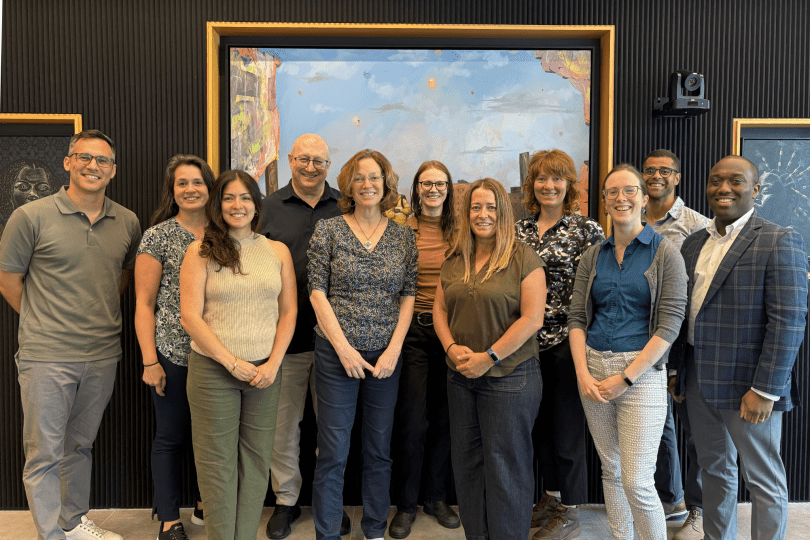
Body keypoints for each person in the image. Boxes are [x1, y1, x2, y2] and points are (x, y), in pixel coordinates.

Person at [0, 130, 141, 540]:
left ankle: (73, 521)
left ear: (113, 170)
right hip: (46, 355)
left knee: (79, 446)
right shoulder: (30, 216)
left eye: (102, 160)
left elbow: (121, 279)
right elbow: (9, 281)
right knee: (43, 452)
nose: (92, 166)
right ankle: (50, 533)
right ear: (67, 162)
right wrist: (45, 321)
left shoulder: (127, 221)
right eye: (84, 157)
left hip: (102, 354)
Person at [670, 156, 808, 540]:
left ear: (756, 189)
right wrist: (678, 372)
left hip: (751, 386)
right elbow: (686, 313)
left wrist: (766, 389)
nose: (724, 188)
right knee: (715, 470)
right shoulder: (694, 243)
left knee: (763, 478)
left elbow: (789, 323)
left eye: (735, 181)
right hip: (698, 379)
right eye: (716, 181)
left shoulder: (779, 240)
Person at [568, 164, 687, 540]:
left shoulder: (665, 253)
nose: (621, 198)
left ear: (643, 196)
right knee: (612, 471)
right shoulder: (593, 256)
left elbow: (669, 326)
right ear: (603, 201)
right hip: (593, 370)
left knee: (637, 480)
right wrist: (584, 374)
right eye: (613, 192)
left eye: (629, 190)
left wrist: (626, 377)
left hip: (640, 375)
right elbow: (576, 319)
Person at [179, 170, 296, 540]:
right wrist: (232, 363)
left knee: (256, 463)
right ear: (218, 204)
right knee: (217, 467)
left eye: (245, 197)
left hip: (265, 374)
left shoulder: (277, 251)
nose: (237, 205)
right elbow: (190, 317)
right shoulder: (200, 250)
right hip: (213, 373)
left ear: (256, 204)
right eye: (229, 198)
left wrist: (273, 363)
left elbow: (289, 311)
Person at [307, 149, 417, 540]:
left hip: (385, 359)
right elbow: (317, 293)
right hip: (337, 356)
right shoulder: (329, 230)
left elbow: (408, 294)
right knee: (333, 452)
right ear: (348, 185)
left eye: (374, 177)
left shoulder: (404, 236)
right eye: (359, 178)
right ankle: (327, 534)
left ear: (386, 183)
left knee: (378, 449)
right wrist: (344, 349)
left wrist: (393, 350)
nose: (367, 184)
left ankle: (373, 529)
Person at [433, 177, 547, 540]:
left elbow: (533, 318)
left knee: (506, 469)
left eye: (491, 207)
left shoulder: (522, 256)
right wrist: (451, 348)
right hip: (460, 378)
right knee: (467, 467)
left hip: (511, 378)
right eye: (476, 207)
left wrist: (490, 356)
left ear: (504, 212)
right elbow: (438, 309)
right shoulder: (454, 258)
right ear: (467, 214)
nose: (483, 214)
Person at [258, 134, 350, 540]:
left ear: (330, 165)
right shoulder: (267, 209)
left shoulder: (345, 206)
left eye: (320, 161)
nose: (311, 167)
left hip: (339, 341)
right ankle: (286, 500)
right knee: (284, 427)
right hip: (286, 338)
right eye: (304, 159)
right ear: (291, 160)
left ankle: (329, 502)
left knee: (333, 429)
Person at [514, 149, 604, 540]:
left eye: (557, 178)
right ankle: (549, 497)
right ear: (532, 184)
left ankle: (571, 509)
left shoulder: (587, 231)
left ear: (569, 185)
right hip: (524, 345)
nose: (548, 185)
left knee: (567, 431)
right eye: (541, 178)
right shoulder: (519, 230)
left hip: (568, 343)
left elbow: (598, 291)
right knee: (538, 429)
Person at [135, 155, 214, 540]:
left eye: (197, 182)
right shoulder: (158, 236)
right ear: (173, 191)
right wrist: (151, 360)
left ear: (209, 187)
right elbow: (144, 305)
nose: (190, 189)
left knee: (212, 434)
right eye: (182, 183)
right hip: (173, 352)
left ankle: (204, 502)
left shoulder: (225, 231)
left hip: (218, 354)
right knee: (171, 436)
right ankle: (168, 518)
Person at [388, 161, 460, 539]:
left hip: (452, 336)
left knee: (446, 420)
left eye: (440, 183)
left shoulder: (461, 232)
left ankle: (436, 497)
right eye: (426, 183)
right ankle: (405, 504)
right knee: (413, 421)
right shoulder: (401, 231)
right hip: (412, 333)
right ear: (416, 189)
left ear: (449, 189)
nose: (433, 189)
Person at [641, 149, 709, 538]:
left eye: (664, 171)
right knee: (657, 426)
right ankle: (673, 501)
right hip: (640, 344)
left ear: (677, 177)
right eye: (649, 171)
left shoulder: (697, 225)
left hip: (683, 345)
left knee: (695, 429)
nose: (656, 176)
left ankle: (698, 508)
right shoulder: (629, 219)